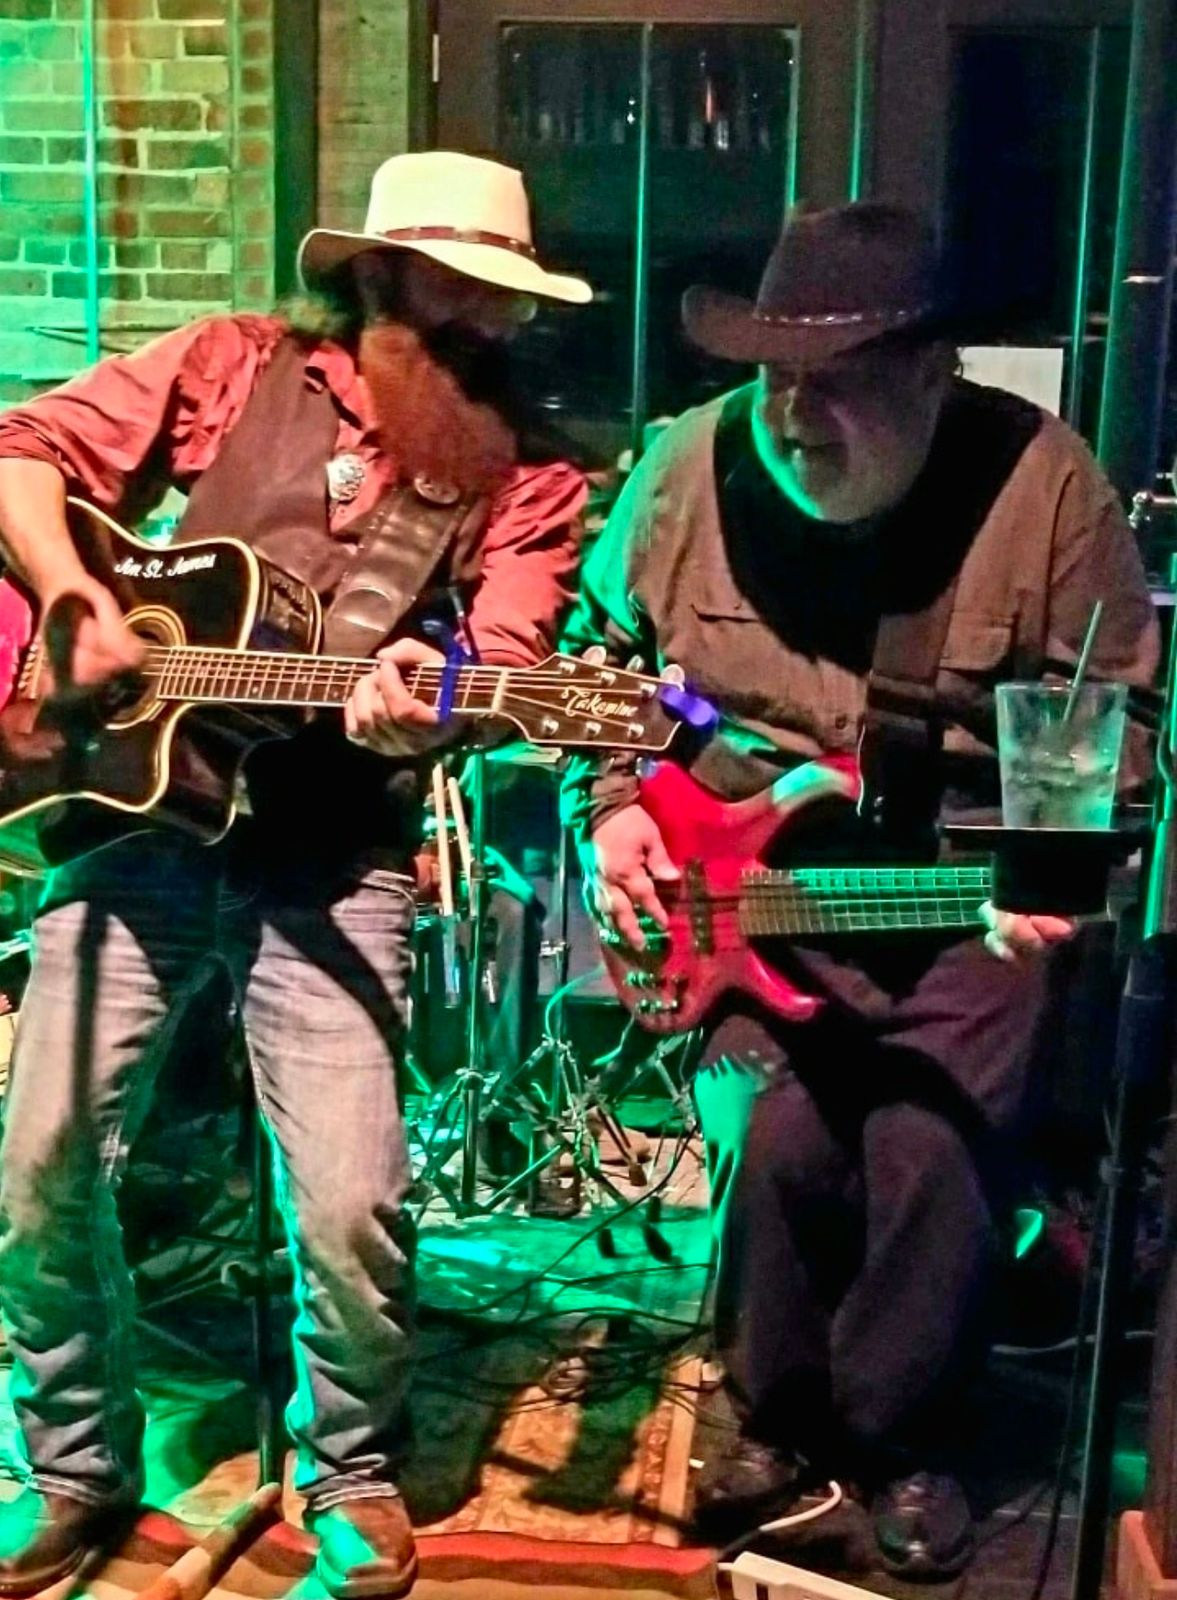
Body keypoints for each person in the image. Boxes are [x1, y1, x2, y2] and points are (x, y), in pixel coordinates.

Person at [0, 150, 590, 1599]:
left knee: (347, 1204)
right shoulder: (231, 364)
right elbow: (20, 451)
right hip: (137, 824)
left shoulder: (530, 474)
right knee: (39, 1164)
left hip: (333, 857)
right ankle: (72, 1466)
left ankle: (352, 1470)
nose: (490, 318)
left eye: (505, 297)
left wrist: (433, 699)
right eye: (460, 285)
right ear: (380, 274)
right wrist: (74, 597)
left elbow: (505, 659)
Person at [560, 203, 1158, 1577]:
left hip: (960, 894)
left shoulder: (1044, 487)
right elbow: (598, 660)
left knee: (927, 1151)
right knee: (780, 1141)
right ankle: (772, 1415)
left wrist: (1049, 861)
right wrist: (611, 812)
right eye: (773, 375)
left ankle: (902, 1438)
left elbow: (1121, 723)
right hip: (743, 887)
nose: (790, 413)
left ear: (932, 373)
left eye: (831, 382)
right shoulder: (687, 464)